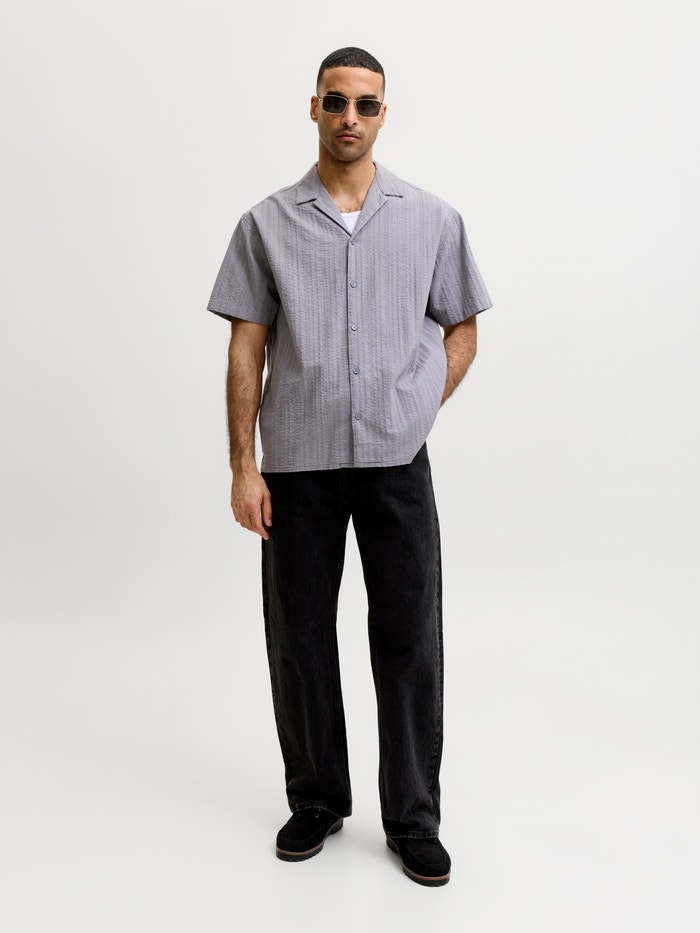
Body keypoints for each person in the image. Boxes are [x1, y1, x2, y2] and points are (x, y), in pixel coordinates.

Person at [207, 47, 492, 887]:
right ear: (314, 109)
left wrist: (417, 407)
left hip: (396, 462)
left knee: (409, 637)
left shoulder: (431, 219)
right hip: (297, 465)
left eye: (366, 104)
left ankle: (412, 818)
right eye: (335, 102)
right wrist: (243, 466)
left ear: (382, 115)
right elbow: (246, 346)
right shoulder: (265, 223)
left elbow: (463, 327)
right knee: (299, 635)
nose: (349, 118)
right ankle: (317, 798)